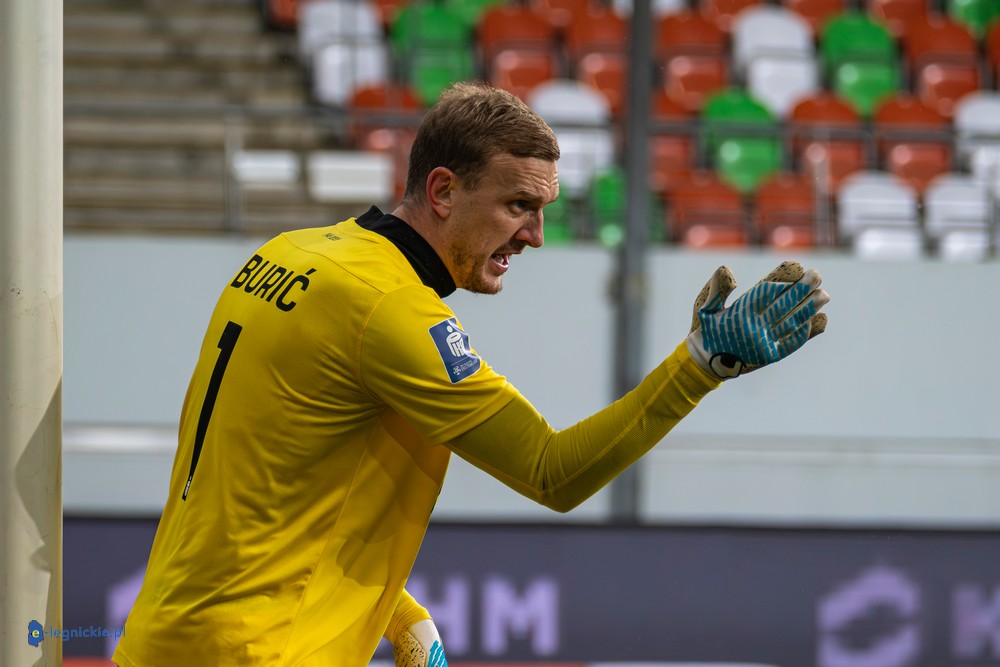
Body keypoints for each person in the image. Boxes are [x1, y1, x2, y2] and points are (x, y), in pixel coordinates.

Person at [113, 81, 828, 667]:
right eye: (518, 206)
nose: (535, 236)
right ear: (444, 190)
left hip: (163, 637)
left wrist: (400, 613)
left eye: (542, 211)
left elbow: (260, 492)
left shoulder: (289, 254)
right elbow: (552, 471)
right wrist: (699, 366)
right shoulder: (390, 309)